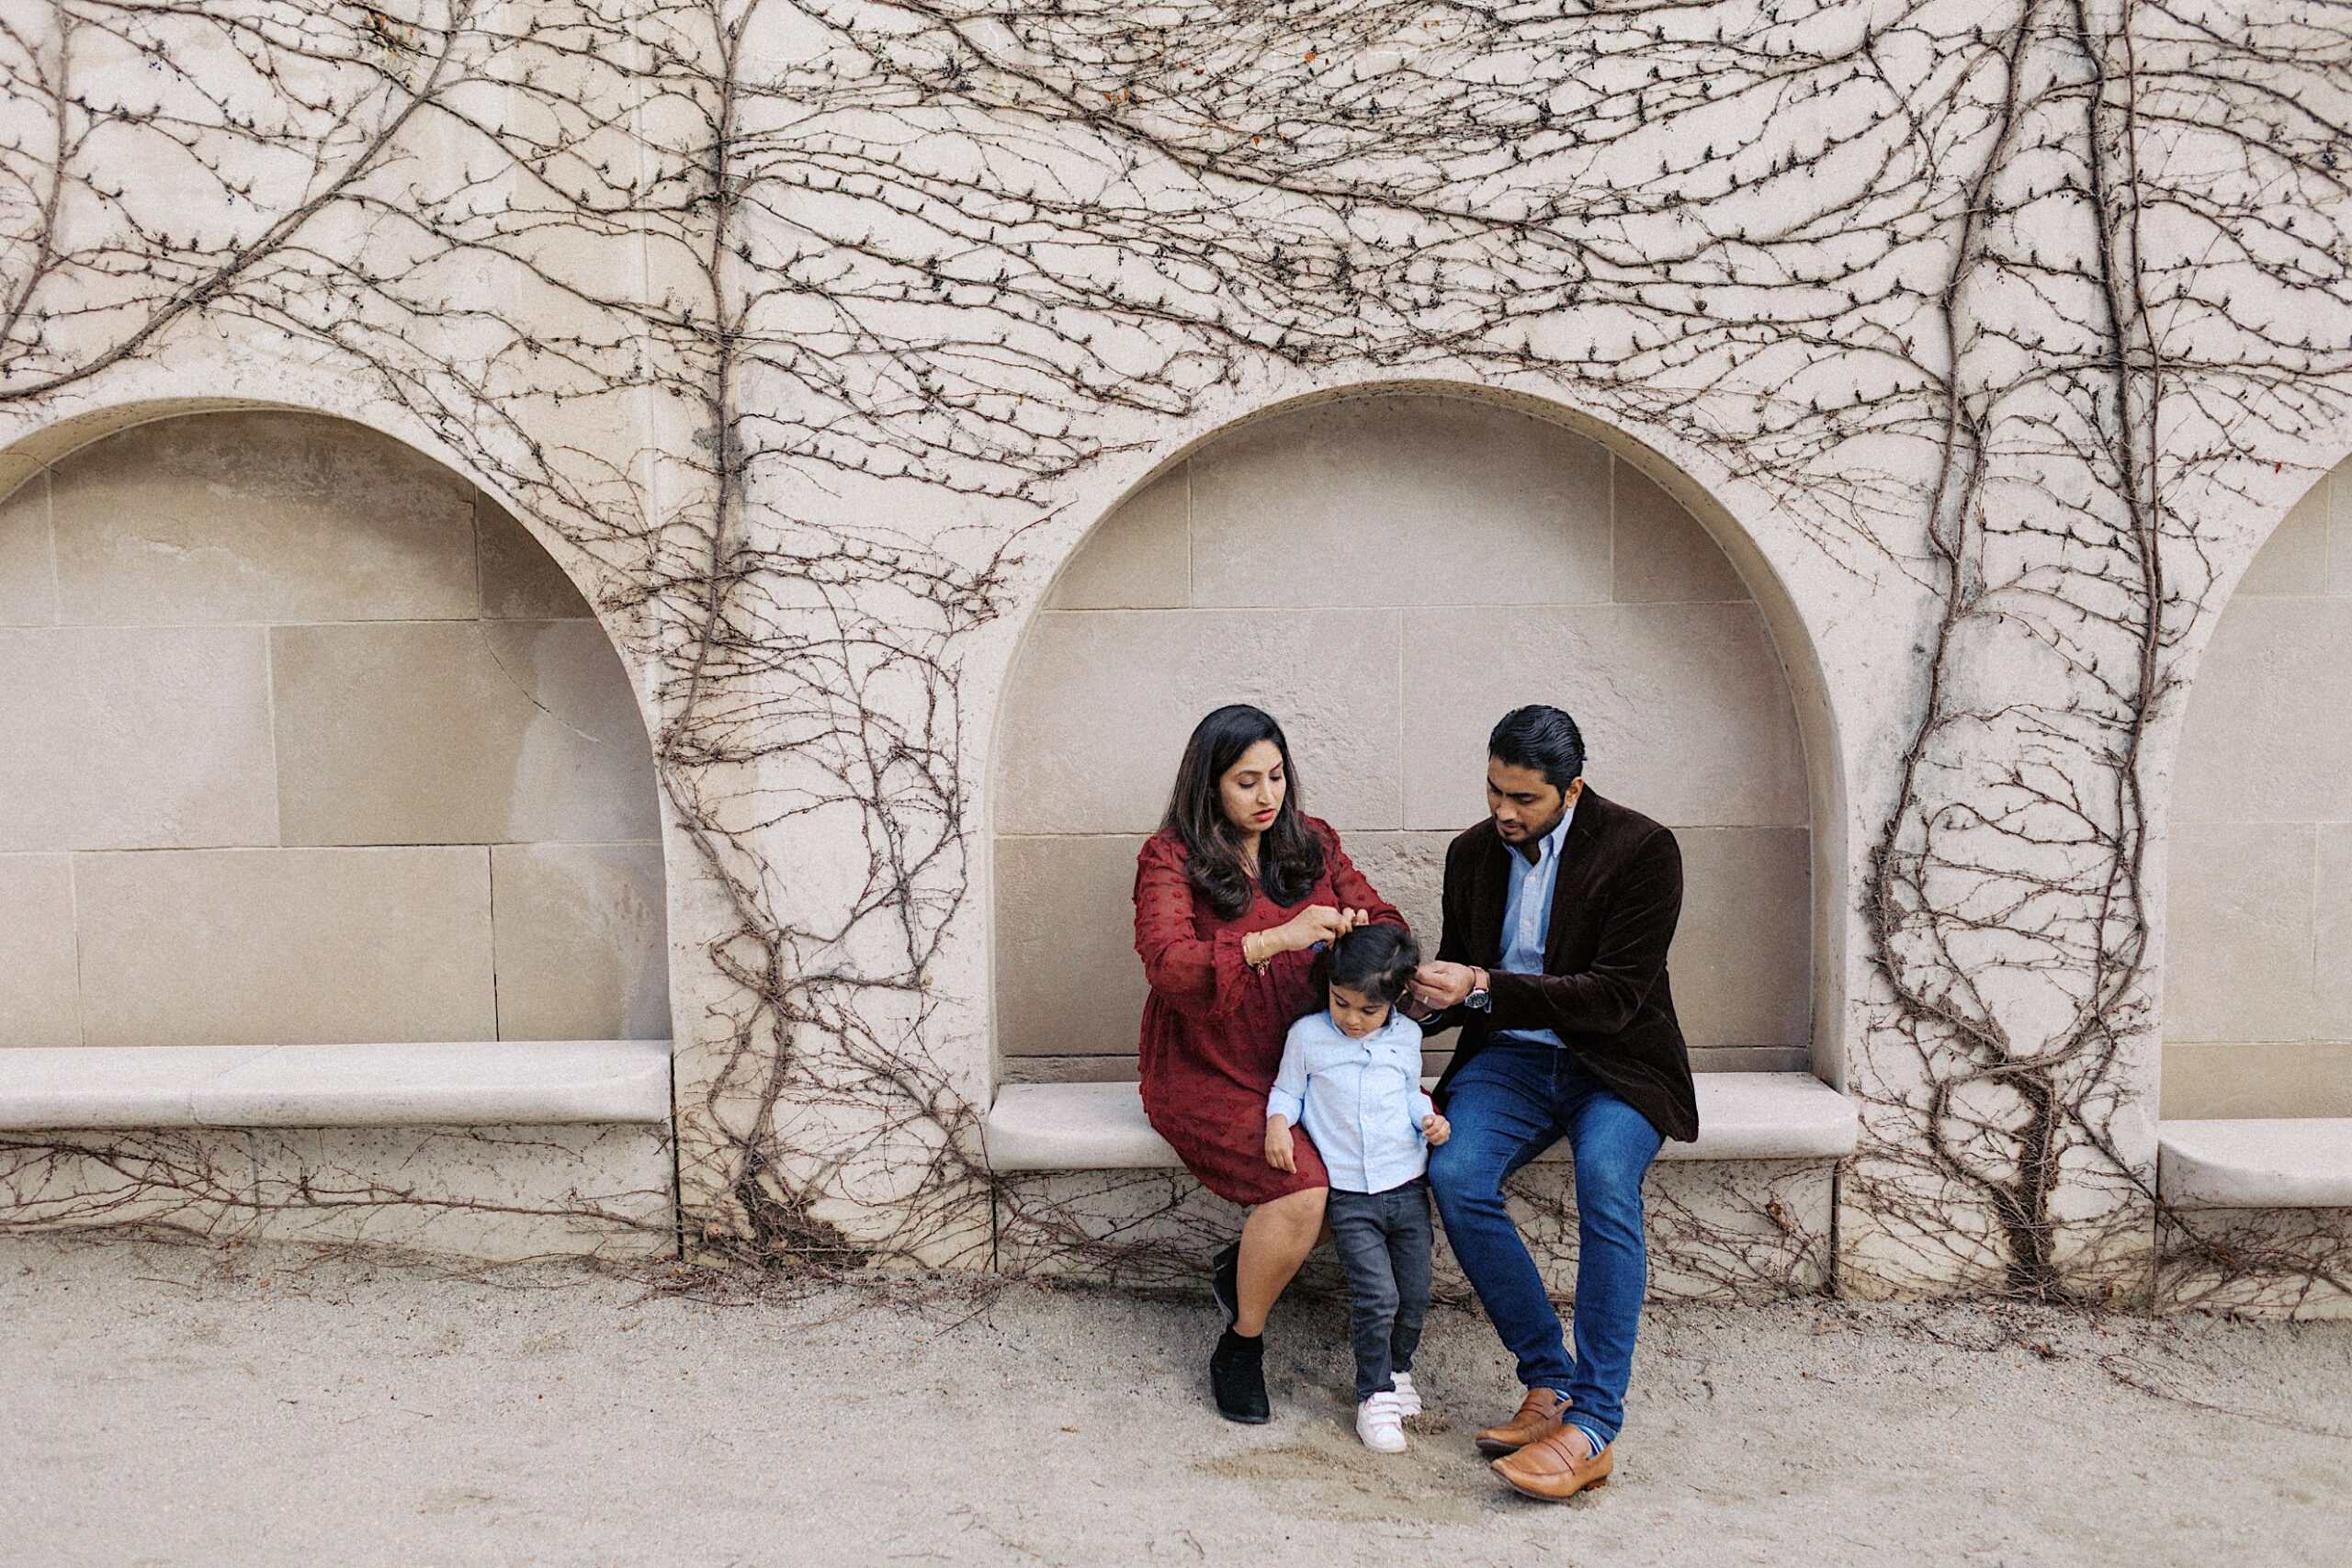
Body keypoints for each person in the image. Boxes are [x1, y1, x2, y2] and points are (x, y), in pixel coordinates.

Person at [1406, 705, 1697, 1502]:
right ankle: (1550, 1380)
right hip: (1512, 1062)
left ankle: (1595, 1423)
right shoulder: (1472, 852)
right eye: (1496, 790)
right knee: (1456, 1170)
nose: (1504, 811)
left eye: (1524, 799)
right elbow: (1470, 987)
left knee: (1606, 1177)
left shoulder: (1643, 850)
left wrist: (1485, 986)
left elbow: (1611, 998)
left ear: (1572, 789)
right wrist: (1423, 1000)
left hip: (1618, 1064)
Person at [1133, 703, 1408, 1424]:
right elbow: (1169, 966)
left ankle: (1238, 1271)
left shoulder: (1311, 842)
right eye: (1246, 781)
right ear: (1209, 785)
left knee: (1353, 1170)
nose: (1267, 796)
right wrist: (1276, 938)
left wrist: (1359, 935)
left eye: (1277, 775)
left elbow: (1385, 920)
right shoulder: (1170, 856)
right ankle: (1242, 1342)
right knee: (1305, 1186)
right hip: (1207, 1063)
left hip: (1306, 1059)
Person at [1264, 924, 1452, 1453]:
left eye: (1367, 1011)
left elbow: (1409, 1093)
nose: (1350, 1018)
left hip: (1407, 1186)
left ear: (1394, 1002)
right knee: (1377, 1296)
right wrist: (1278, 1124)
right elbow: (1287, 1092)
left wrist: (1429, 1119)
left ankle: (1398, 1371)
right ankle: (1373, 1396)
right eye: (1341, 1003)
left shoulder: (1407, 1038)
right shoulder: (1308, 1037)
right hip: (1351, 1195)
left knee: (1413, 1294)